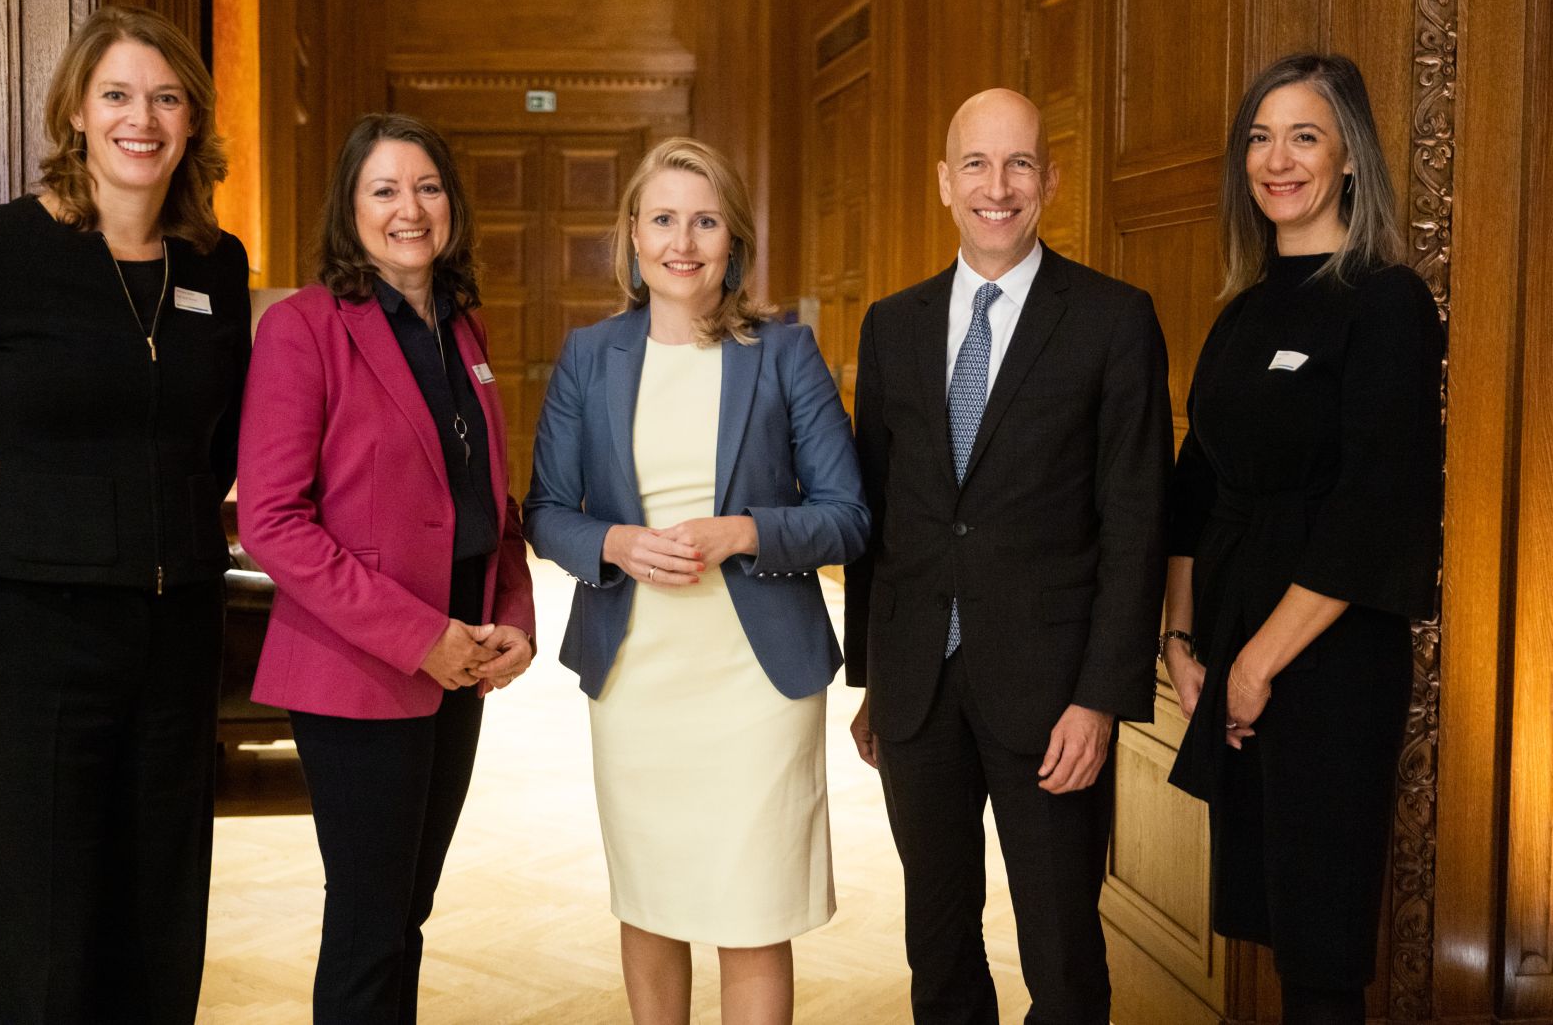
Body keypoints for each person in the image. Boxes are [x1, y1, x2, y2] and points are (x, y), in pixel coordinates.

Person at [0, 5, 251, 1022]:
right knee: (36, 923)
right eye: (118, 95)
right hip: (34, 636)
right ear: (76, 113)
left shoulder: (216, 265)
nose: (142, 119)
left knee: (158, 914)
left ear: (192, 121)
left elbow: (222, 446)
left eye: (166, 99)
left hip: (175, 629)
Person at [843, 88, 1172, 1024]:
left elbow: (1137, 521)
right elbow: (882, 514)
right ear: (945, 182)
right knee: (937, 951)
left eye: (1020, 163)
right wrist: (875, 675)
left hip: (1054, 692)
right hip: (918, 688)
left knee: (1063, 958)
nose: (999, 185)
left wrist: (1102, 696)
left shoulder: (1113, 321)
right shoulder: (892, 326)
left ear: (1050, 181)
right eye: (978, 165)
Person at [523, 137, 868, 1025]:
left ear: (733, 240)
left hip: (757, 679)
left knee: (753, 908)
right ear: (632, 235)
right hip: (637, 673)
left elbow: (848, 514)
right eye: (665, 218)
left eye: (706, 220)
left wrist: (745, 530)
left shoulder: (786, 353)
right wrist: (616, 544)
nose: (685, 240)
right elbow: (547, 510)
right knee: (652, 896)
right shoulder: (589, 355)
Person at [1160, 54, 1442, 1024]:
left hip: (1326, 657)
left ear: (1349, 157)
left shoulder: (1384, 302)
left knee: (1320, 945)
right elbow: (1195, 482)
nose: (1275, 160)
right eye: (1258, 137)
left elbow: (1373, 507)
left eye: (1303, 136)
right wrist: (1182, 641)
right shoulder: (1243, 309)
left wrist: (1254, 666)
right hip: (1238, 637)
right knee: (1268, 917)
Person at [236, 112, 535, 1024]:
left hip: (461, 661)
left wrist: (513, 612)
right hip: (359, 670)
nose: (411, 208)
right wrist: (421, 639)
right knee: (370, 922)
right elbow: (273, 521)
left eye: (428, 187)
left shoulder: (462, 326)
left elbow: (489, 499)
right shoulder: (304, 327)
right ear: (350, 209)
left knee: (406, 911)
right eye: (385, 190)